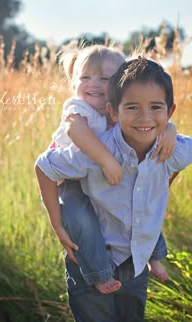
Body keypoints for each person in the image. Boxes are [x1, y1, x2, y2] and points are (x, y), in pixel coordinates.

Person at [35, 57, 192, 321]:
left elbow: (182, 156)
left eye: (156, 107)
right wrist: (58, 225)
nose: (145, 117)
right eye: (132, 107)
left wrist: (162, 185)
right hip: (89, 264)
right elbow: (44, 166)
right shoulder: (97, 150)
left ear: (169, 111)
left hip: (136, 263)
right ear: (114, 112)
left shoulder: (172, 149)